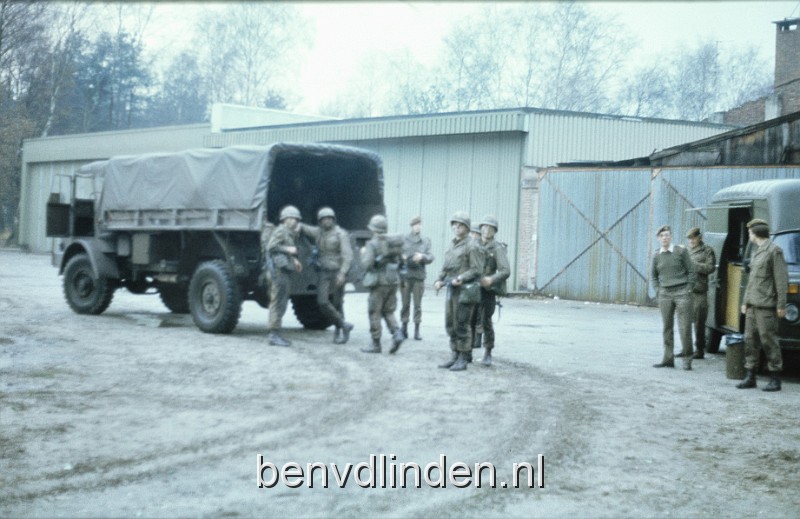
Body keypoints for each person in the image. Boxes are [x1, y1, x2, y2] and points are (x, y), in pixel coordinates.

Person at [736, 218, 789, 392]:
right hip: (753, 305)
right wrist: (745, 302)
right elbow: (752, 281)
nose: (749, 235)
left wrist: (781, 305)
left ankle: (775, 377)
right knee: (750, 341)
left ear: (755, 233)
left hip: (766, 306)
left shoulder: (774, 251)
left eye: (750, 232)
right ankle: (750, 376)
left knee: (769, 341)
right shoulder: (757, 251)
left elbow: (781, 281)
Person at [434, 211, 484, 372]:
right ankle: (454, 354)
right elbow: (446, 266)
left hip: (465, 290)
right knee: (450, 323)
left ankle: (463, 357)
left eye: (460, 224)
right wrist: (439, 279)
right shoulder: (452, 244)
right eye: (454, 224)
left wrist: (461, 277)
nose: (456, 226)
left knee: (462, 323)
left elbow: (477, 269)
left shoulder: (472, 245)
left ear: (467, 228)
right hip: (451, 289)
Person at [298, 207, 354, 344]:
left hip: (337, 272)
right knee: (322, 301)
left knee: (337, 303)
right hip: (324, 272)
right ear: (320, 221)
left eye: (329, 218)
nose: (326, 221)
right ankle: (343, 325)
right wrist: (295, 221)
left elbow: (348, 256)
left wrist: (342, 273)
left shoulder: (341, 234)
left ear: (333, 219)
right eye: (323, 219)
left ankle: (339, 331)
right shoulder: (319, 233)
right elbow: (305, 228)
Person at [651, 225, 696, 370]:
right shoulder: (657, 256)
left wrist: (688, 289)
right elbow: (654, 276)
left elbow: (691, 271)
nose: (665, 238)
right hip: (665, 294)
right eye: (662, 235)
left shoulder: (681, 251)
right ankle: (668, 359)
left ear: (671, 237)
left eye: (667, 235)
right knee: (667, 327)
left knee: (685, 327)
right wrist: (658, 291)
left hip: (682, 292)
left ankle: (687, 359)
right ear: (658, 239)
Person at [360, 215, 405, 354]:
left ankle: (375, 344)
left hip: (379, 282)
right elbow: (400, 260)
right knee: (388, 311)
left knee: (374, 311)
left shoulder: (373, 243)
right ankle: (397, 334)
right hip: (393, 281)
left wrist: (363, 253)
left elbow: (367, 264)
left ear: (373, 229)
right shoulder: (393, 242)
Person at [265, 205, 304, 347]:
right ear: (284, 219)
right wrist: (288, 249)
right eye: (291, 218)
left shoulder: (289, 233)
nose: (294, 221)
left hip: (285, 270)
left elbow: (288, 251)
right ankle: (273, 334)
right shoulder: (281, 231)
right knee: (277, 302)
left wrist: (295, 260)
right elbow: (271, 247)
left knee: (282, 302)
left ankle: (276, 333)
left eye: (296, 219)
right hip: (278, 271)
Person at [475, 215, 510, 367]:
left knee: (485, 320)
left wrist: (491, 279)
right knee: (468, 318)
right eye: (484, 226)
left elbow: (505, 270)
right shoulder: (474, 245)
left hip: (488, 290)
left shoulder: (497, 248)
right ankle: (466, 351)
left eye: (490, 228)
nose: (486, 230)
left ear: (494, 231)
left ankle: (488, 351)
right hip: (472, 287)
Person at [680, 227, 716, 360]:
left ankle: (699, 349)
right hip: (685, 291)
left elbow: (710, 268)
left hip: (699, 292)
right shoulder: (685, 251)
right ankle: (686, 348)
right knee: (684, 322)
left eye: (693, 238)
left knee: (699, 323)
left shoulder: (707, 251)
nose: (691, 241)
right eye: (689, 239)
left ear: (699, 238)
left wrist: (693, 265)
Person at [400, 216, 435, 341]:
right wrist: (403, 257)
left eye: (419, 224)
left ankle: (417, 330)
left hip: (418, 277)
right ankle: (404, 328)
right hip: (406, 276)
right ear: (411, 226)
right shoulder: (404, 239)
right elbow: (397, 255)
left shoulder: (425, 241)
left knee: (417, 305)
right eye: (415, 224)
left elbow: (431, 257)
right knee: (405, 304)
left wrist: (422, 257)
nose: (418, 226)